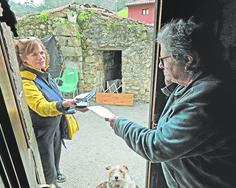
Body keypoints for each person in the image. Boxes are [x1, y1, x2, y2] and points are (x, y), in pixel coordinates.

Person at [105, 17, 236, 188]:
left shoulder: (208, 99)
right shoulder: (197, 84)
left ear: (188, 60)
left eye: (164, 59)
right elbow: (180, 108)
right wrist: (171, 84)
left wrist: (120, 124)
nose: (160, 66)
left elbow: (157, 146)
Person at [15, 37, 83, 188]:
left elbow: (56, 98)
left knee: (54, 162)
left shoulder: (44, 74)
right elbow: (41, 106)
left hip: (55, 127)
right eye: (34, 54)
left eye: (42, 53)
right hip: (42, 134)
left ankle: (54, 177)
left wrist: (72, 105)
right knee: (47, 171)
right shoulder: (27, 81)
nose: (41, 57)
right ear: (22, 58)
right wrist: (64, 104)